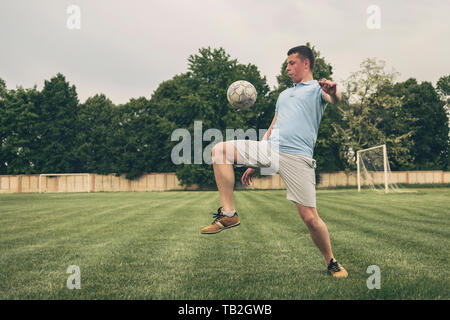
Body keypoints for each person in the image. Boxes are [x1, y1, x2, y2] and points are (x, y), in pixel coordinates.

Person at [201, 45, 348, 278]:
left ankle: (331, 261)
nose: (287, 67)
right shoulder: (283, 95)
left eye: (291, 63)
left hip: (298, 157)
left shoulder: (317, 89)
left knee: (310, 217)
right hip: (270, 149)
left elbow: (336, 98)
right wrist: (254, 163)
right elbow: (273, 126)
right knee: (220, 150)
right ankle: (229, 215)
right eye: (287, 63)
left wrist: (334, 89)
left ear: (306, 63)